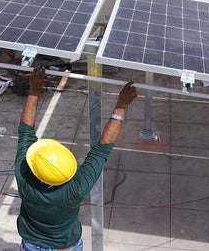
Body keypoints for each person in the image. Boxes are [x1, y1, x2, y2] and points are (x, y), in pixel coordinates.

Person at [15, 66, 137, 251]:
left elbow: (26, 132)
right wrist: (121, 105)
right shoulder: (74, 189)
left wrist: (34, 90)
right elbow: (101, 150)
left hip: (32, 245)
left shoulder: (23, 176)